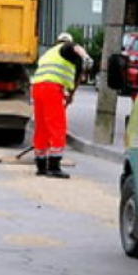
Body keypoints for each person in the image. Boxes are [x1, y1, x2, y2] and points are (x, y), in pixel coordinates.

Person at [31, 32, 92, 179]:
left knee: (42, 126)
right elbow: (75, 47)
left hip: (37, 88)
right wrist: (86, 57)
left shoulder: (48, 53)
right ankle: (54, 166)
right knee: (57, 125)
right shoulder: (66, 48)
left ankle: (41, 165)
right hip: (51, 88)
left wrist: (70, 95)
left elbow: (76, 80)